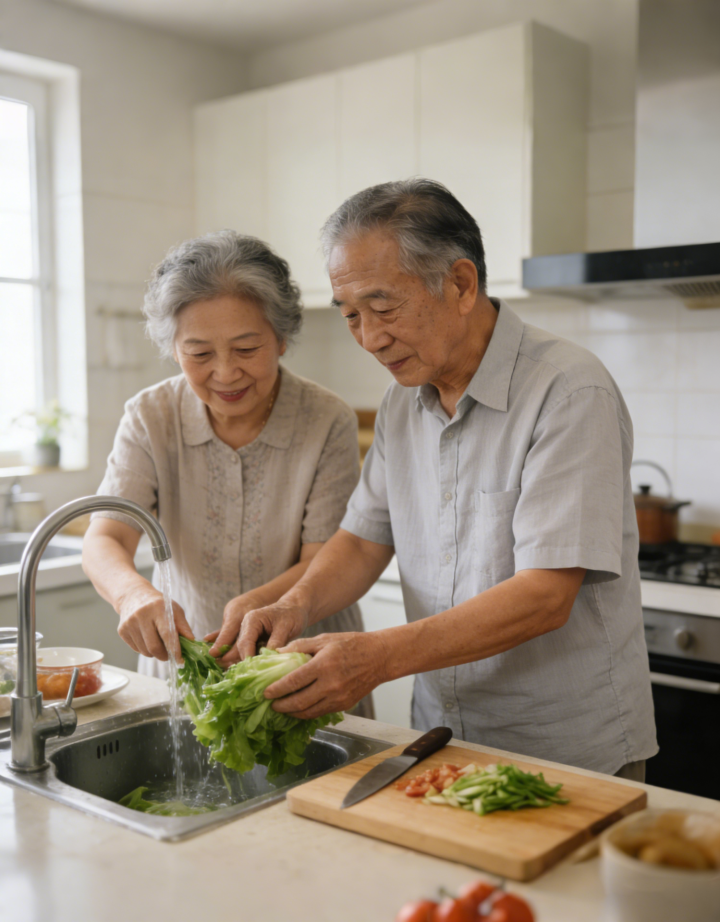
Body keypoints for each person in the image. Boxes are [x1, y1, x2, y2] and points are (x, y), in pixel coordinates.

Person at [218, 179, 658, 779]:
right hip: (441, 737)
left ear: (460, 284)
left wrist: (374, 658)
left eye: (384, 308)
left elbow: (545, 596)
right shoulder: (403, 402)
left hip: (566, 749)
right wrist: (293, 603)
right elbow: (363, 539)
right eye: (351, 316)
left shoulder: (568, 390)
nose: (370, 339)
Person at [82, 230, 372, 717]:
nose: (225, 373)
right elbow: (104, 538)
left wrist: (260, 605)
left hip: (300, 667)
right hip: (186, 669)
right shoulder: (150, 416)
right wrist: (132, 594)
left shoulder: (326, 419)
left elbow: (327, 559)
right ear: (173, 350)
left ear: (281, 338)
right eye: (199, 353)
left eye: (246, 348)